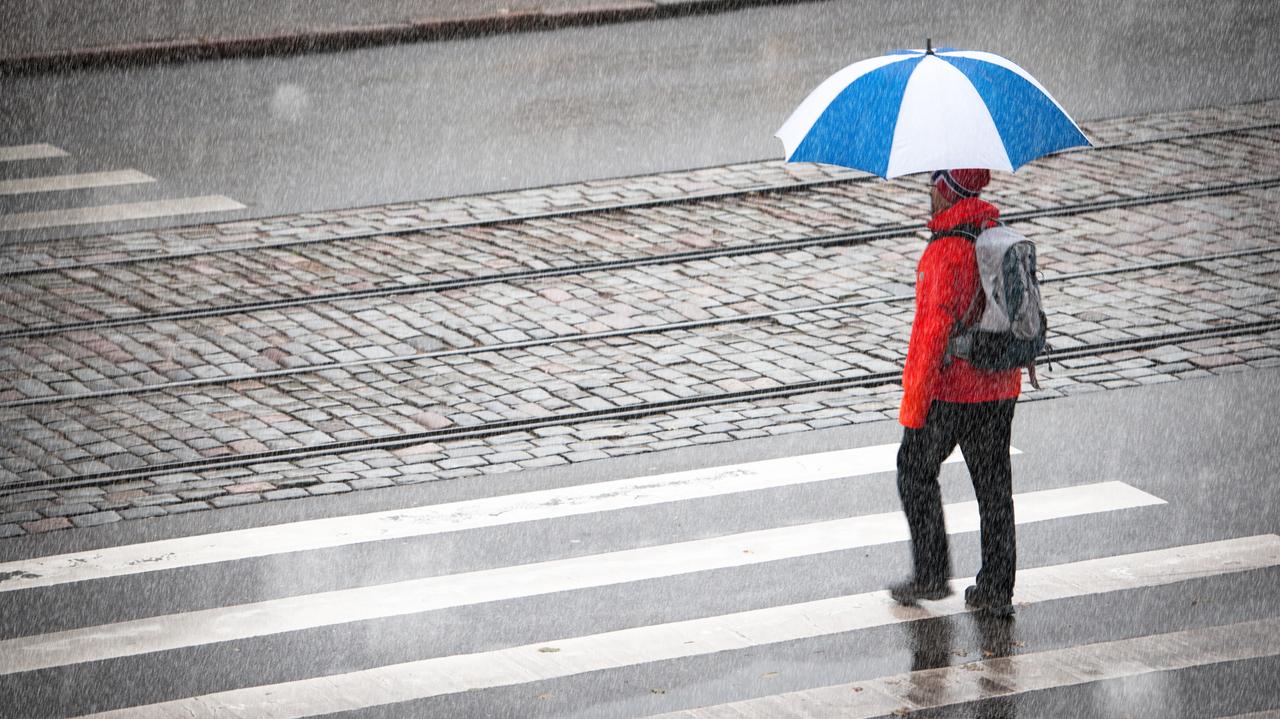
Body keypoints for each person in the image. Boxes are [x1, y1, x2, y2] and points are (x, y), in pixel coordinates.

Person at [887, 168, 1020, 617]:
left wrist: (914, 408)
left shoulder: (945, 252)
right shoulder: (992, 233)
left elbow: (928, 340)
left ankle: (930, 572)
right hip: (999, 385)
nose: (928, 191)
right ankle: (996, 588)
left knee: (913, 469)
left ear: (946, 191)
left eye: (932, 182)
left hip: (954, 391)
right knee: (994, 487)